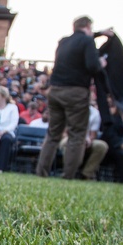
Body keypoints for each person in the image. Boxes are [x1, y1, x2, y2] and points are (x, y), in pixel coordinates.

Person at [36, 16, 108, 179]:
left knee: (53, 133)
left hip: (55, 91)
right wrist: (101, 64)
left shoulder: (64, 41)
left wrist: (99, 33)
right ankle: (68, 175)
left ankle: (41, 172)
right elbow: (92, 65)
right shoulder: (88, 42)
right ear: (88, 26)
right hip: (75, 92)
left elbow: (80, 39)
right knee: (77, 134)